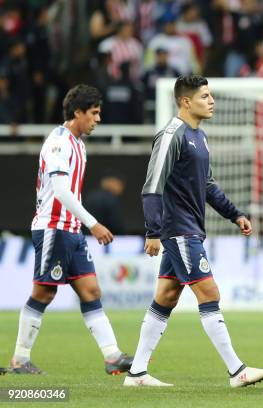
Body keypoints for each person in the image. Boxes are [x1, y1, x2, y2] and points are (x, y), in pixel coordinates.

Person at [124, 75, 263, 387]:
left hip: (189, 228)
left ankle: (136, 373)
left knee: (165, 296)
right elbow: (152, 186)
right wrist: (153, 230)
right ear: (185, 101)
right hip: (178, 230)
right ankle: (237, 371)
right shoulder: (171, 135)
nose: (211, 101)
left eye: (211, 95)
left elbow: (207, 186)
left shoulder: (200, 136)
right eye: (205, 96)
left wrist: (235, 214)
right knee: (209, 293)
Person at [9, 84, 132, 375]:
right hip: (53, 227)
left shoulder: (78, 143)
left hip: (71, 230)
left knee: (90, 290)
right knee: (43, 292)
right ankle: (20, 359)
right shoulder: (59, 143)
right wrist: (94, 224)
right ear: (77, 113)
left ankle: (112, 356)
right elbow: (62, 193)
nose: (98, 119)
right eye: (94, 113)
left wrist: (82, 225)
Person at [83, 170, 126, 235]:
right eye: (120, 184)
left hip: (85, 238)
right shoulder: (111, 199)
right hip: (104, 238)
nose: (121, 188)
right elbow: (116, 225)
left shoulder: (89, 196)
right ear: (111, 182)